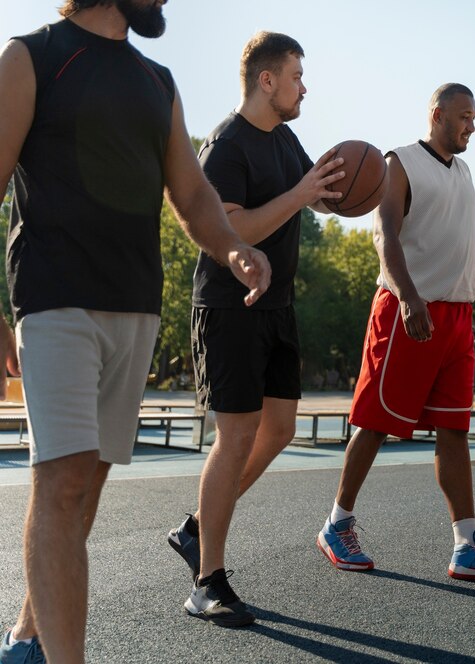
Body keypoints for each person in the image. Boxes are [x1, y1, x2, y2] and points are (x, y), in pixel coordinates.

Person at [0, 1, 271, 662]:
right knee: (62, 486)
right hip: (55, 297)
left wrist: (234, 248)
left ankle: (26, 643)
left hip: (135, 307)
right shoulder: (30, 56)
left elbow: (194, 195)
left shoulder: (158, 82)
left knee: (84, 490)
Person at [165, 31, 344, 626]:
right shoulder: (226, 146)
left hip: (278, 306)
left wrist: (351, 186)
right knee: (236, 436)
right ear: (266, 80)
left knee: (281, 429)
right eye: (296, 75)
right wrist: (300, 193)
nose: (303, 86)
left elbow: (310, 197)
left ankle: (196, 528)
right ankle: (207, 581)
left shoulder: (285, 139)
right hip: (229, 306)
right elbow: (234, 231)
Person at [316, 83, 475, 582]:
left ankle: (466, 545)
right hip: (409, 308)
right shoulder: (399, 163)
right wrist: (409, 296)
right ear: (438, 113)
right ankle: (336, 524)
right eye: (465, 115)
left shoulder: (464, 169)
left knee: (454, 430)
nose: (472, 125)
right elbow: (385, 233)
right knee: (375, 420)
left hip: (458, 318)